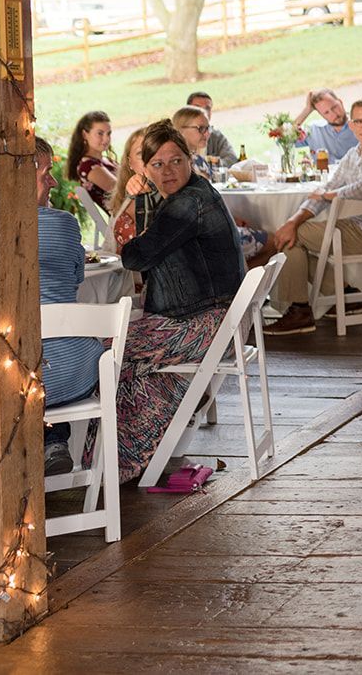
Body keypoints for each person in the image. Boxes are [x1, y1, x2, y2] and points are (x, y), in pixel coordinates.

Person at [117, 121, 245, 482]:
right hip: (211, 319)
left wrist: (140, 199)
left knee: (102, 350)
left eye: (175, 161)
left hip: (201, 326)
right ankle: (133, 449)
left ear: (190, 160)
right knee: (120, 347)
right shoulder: (195, 193)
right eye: (157, 164)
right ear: (144, 168)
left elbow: (134, 256)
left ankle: (121, 455)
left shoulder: (188, 205)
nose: (167, 170)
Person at [262, 100, 362, 335]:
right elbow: (327, 188)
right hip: (351, 226)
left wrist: (328, 195)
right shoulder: (353, 154)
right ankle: (347, 297)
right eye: (359, 121)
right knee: (290, 233)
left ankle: (300, 311)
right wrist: (294, 219)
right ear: (351, 124)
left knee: (291, 238)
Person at [35, 137, 107, 477]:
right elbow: (78, 276)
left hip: (30, 379)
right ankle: (54, 443)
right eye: (46, 173)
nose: (53, 182)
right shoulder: (64, 223)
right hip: (78, 368)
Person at [108, 126, 156, 252]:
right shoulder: (125, 197)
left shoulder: (170, 194)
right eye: (141, 153)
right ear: (130, 162)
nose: (148, 159)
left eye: (153, 151)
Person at [292, 88, 358, 163]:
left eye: (334, 107)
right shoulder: (314, 131)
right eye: (326, 112)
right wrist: (307, 110)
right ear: (320, 114)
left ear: (340, 102)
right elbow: (284, 138)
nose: (334, 114)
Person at [66, 111, 117, 208]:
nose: (106, 139)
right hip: (131, 219)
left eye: (108, 133)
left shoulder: (106, 160)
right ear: (85, 135)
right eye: (100, 133)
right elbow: (123, 192)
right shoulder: (88, 166)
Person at [186, 90, 238, 167]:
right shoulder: (178, 136)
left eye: (207, 108)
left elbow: (232, 159)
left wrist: (210, 164)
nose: (203, 112)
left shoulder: (216, 136)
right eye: (197, 108)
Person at [172, 104, 214, 178]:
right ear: (180, 130)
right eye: (201, 128)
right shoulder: (173, 164)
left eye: (208, 128)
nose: (207, 134)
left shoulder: (198, 160)